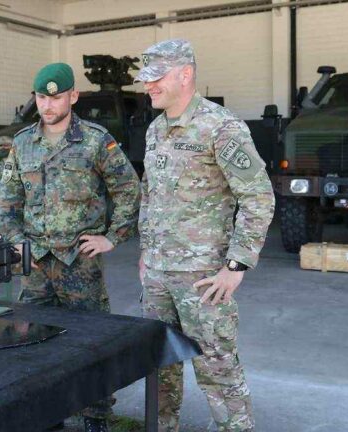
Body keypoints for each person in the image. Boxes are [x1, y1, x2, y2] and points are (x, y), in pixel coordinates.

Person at [135, 39, 274, 432]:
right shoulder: (154, 130)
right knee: (158, 366)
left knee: (217, 369)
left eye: (156, 78)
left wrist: (237, 265)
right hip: (159, 273)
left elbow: (258, 197)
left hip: (203, 278)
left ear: (186, 73)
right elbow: (151, 193)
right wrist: (147, 250)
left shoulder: (221, 127)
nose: (149, 87)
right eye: (146, 80)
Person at [0, 62, 140, 432]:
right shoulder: (23, 142)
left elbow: (128, 188)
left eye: (55, 97)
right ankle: (48, 413)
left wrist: (114, 236)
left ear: (73, 96)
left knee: (89, 342)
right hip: (35, 266)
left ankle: (95, 417)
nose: (47, 104)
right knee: (32, 342)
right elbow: (9, 199)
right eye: (41, 97)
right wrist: (14, 241)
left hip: (79, 263)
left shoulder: (95, 139)